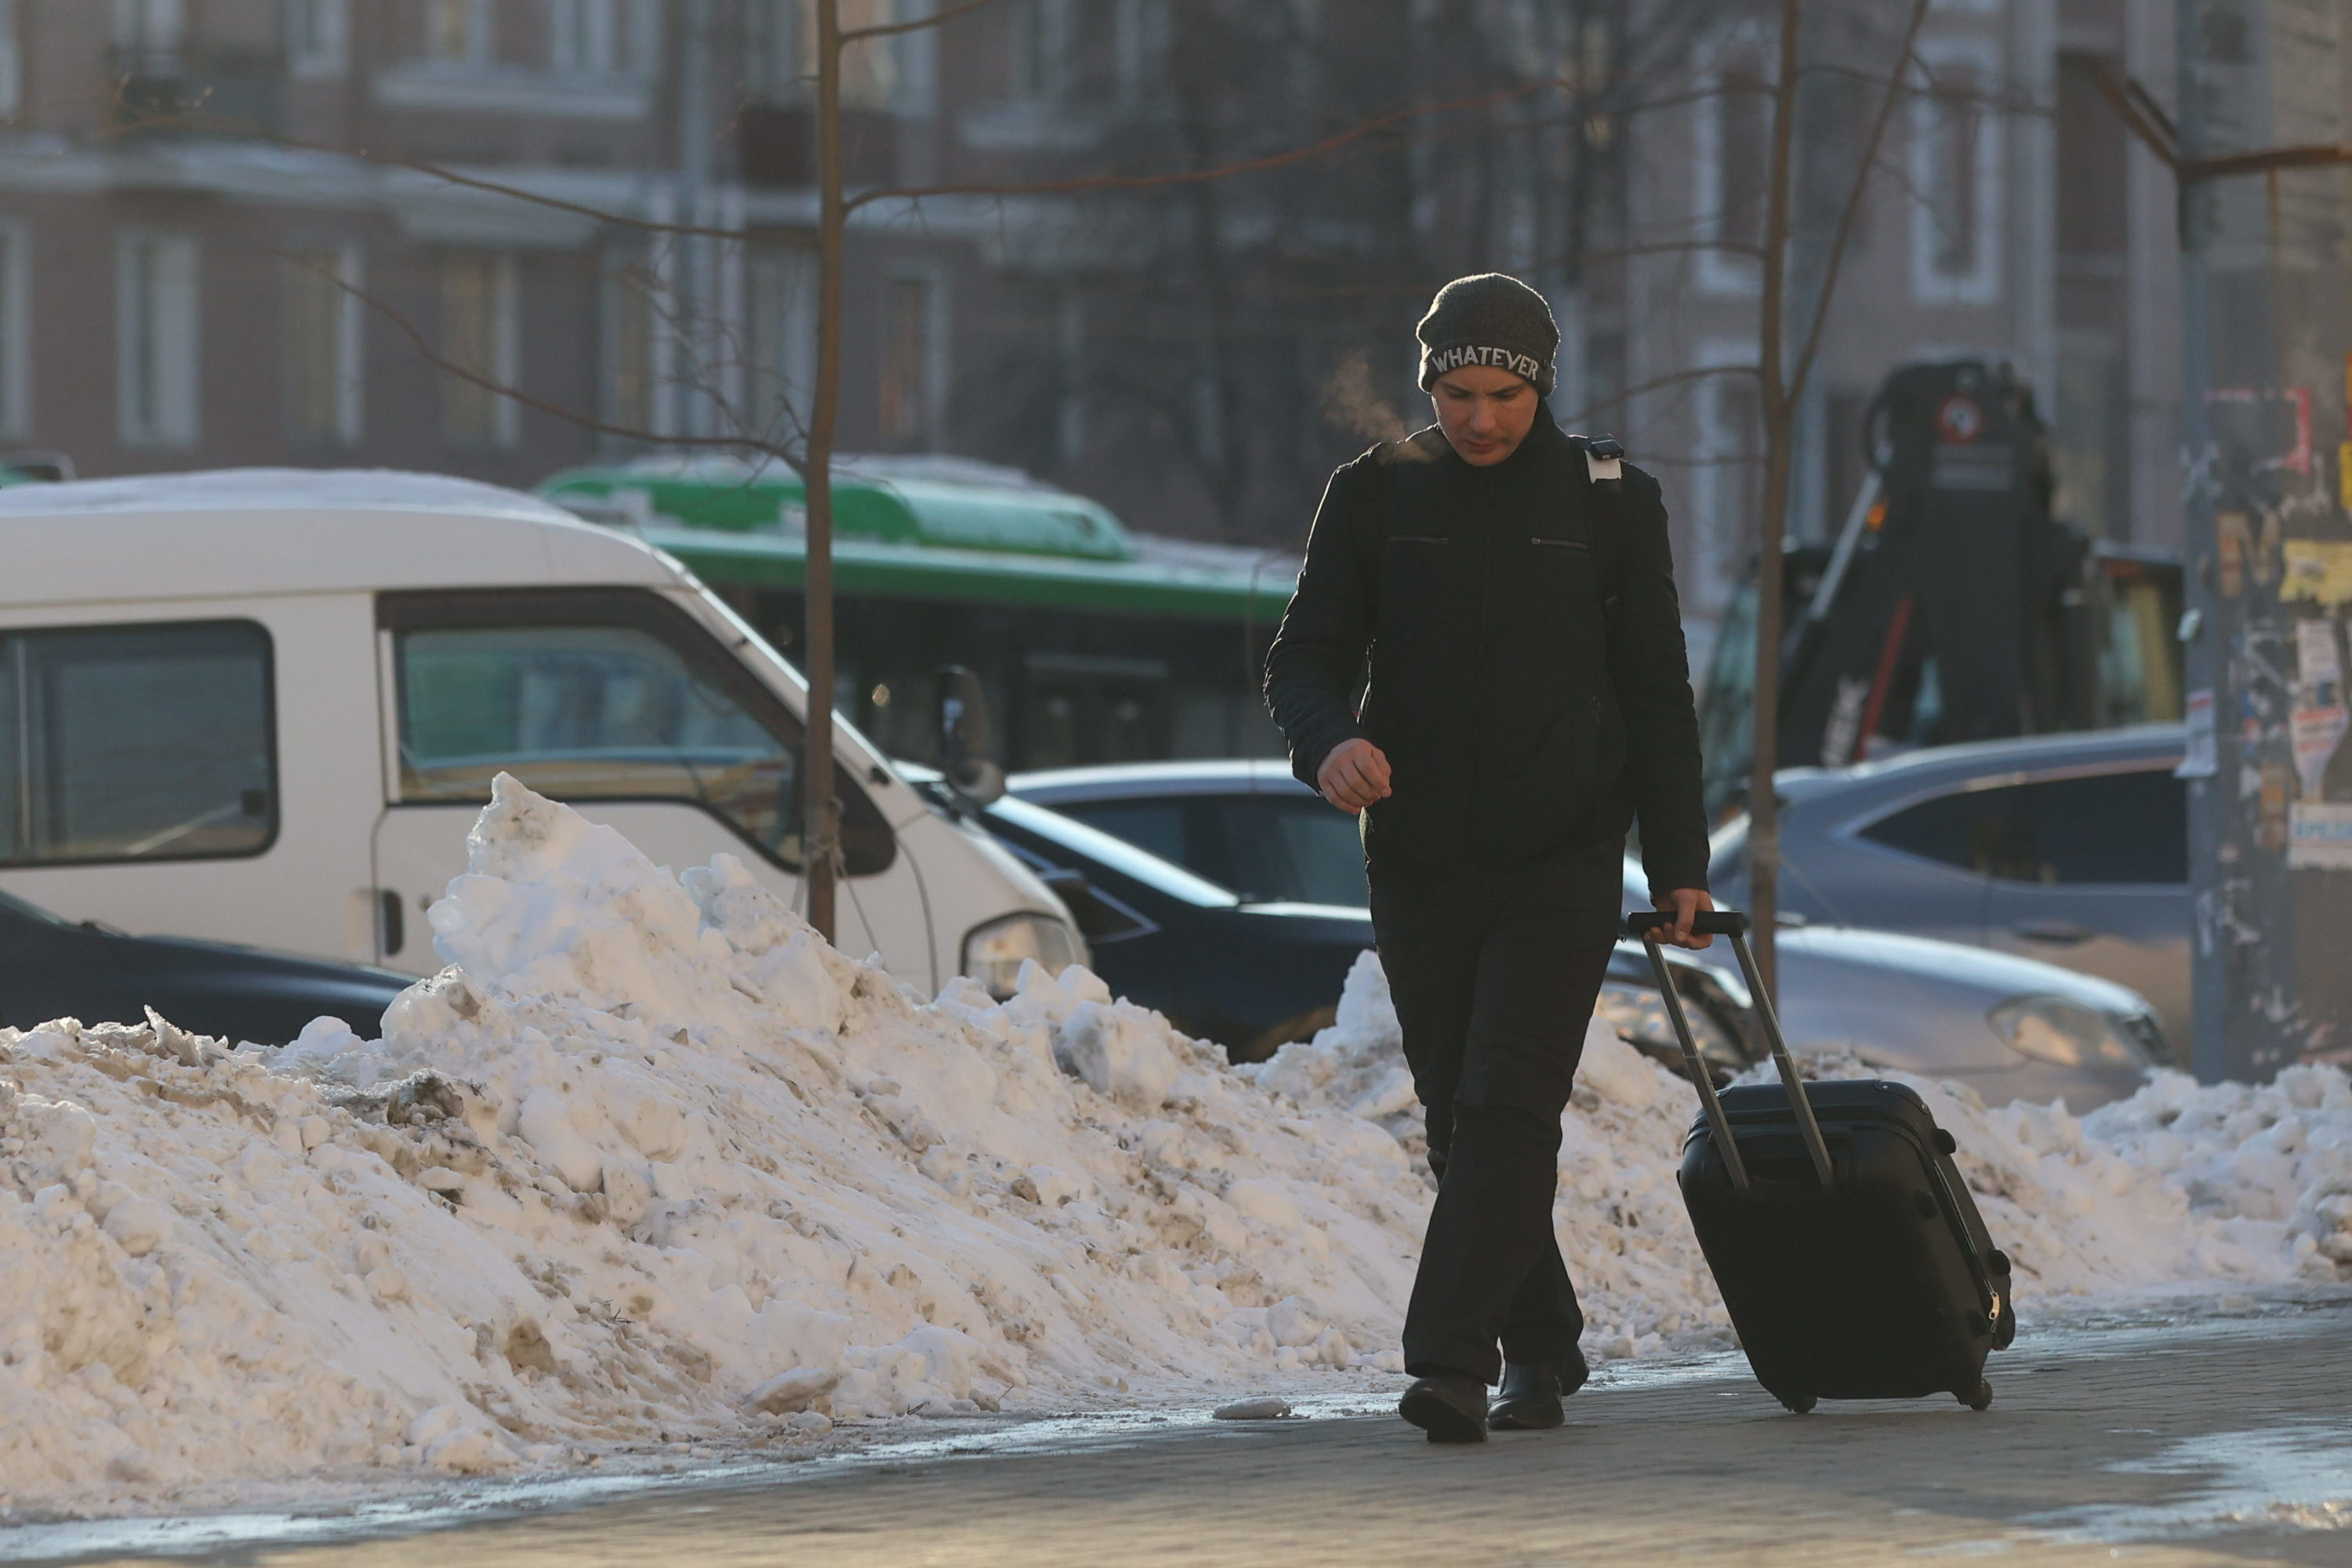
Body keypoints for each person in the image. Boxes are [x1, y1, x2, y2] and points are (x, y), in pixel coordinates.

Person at [1264, 273, 1715, 1444]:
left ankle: (1450, 1365)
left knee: (1510, 1104)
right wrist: (1332, 741)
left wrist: (1680, 862)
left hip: (1563, 854)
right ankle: (1544, 1347)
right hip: (1419, 858)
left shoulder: (1611, 503)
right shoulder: (1374, 495)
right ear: (1427, 385)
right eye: (1457, 393)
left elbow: (1658, 694)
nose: (1479, 419)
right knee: (1462, 1122)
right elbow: (1303, 658)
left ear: (1541, 387)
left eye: (1502, 396)